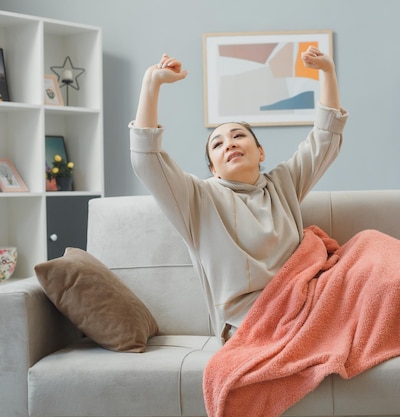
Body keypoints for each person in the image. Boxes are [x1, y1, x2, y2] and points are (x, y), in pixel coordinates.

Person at [129, 47, 348, 343]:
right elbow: (147, 160)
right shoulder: (198, 198)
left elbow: (325, 140)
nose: (229, 143)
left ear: (260, 152)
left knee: (374, 250)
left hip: (307, 303)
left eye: (238, 136)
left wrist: (327, 72)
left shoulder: (284, 183)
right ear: (213, 169)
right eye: (217, 144)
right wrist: (150, 84)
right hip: (250, 324)